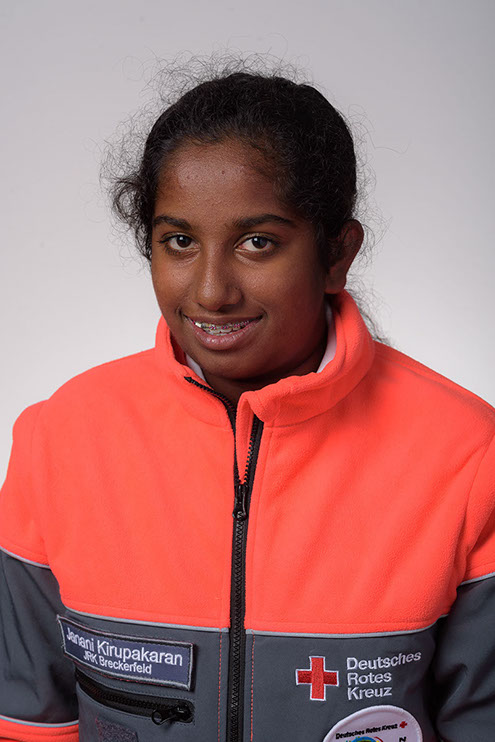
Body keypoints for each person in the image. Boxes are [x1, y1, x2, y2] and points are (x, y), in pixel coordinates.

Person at [0, 62, 494, 742]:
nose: (211, 291)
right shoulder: (59, 439)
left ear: (336, 254)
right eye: (179, 241)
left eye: (257, 243)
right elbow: (27, 721)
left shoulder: (468, 453)